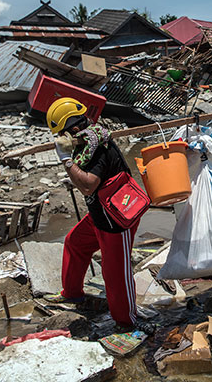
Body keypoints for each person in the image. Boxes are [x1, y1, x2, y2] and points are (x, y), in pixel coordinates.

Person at [44, 97, 148, 331]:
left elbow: (89, 184)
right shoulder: (84, 145)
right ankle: (72, 294)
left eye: (61, 133)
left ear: (75, 128)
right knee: (75, 243)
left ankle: (127, 322)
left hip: (116, 220)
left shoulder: (97, 148)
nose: (59, 138)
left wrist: (66, 161)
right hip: (100, 214)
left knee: (115, 275)